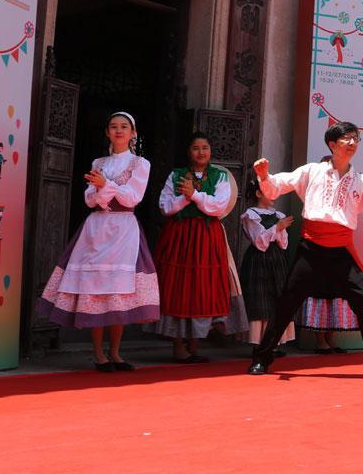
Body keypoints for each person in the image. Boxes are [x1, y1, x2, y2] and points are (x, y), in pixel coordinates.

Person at [246, 122, 363, 379]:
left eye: (355, 139)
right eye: (346, 139)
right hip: (310, 248)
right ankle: (261, 359)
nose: (352, 143)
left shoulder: (361, 181)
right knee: (287, 302)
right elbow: (277, 185)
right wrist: (264, 176)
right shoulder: (312, 172)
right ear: (332, 145)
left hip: (341, 250)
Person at [37, 112, 159, 371]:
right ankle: (98, 353)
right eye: (113, 126)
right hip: (97, 227)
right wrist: (102, 190)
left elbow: (133, 198)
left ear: (133, 133)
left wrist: (107, 185)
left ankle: (115, 352)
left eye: (124, 127)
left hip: (124, 228)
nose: (118, 131)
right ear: (107, 132)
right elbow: (89, 199)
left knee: (117, 291)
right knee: (95, 289)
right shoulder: (99, 162)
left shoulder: (140, 164)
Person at [152, 132, 248, 363]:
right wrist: (186, 198)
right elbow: (165, 207)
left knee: (202, 286)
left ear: (211, 151)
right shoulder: (175, 175)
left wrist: (194, 194)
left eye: (205, 148)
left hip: (206, 237)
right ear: (189, 152)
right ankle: (177, 345)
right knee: (178, 285)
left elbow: (218, 206)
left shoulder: (220, 176)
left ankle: (194, 344)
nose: (201, 152)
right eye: (196, 148)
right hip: (180, 236)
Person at [238, 177, 296, 353]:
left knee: (277, 297)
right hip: (259, 260)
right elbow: (259, 241)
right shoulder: (251, 215)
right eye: (269, 191)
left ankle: (273, 343)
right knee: (260, 299)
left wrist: (280, 229)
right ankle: (259, 344)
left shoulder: (278, 215)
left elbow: (283, 243)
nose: (274, 195)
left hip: (276, 259)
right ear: (258, 193)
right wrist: (277, 228)